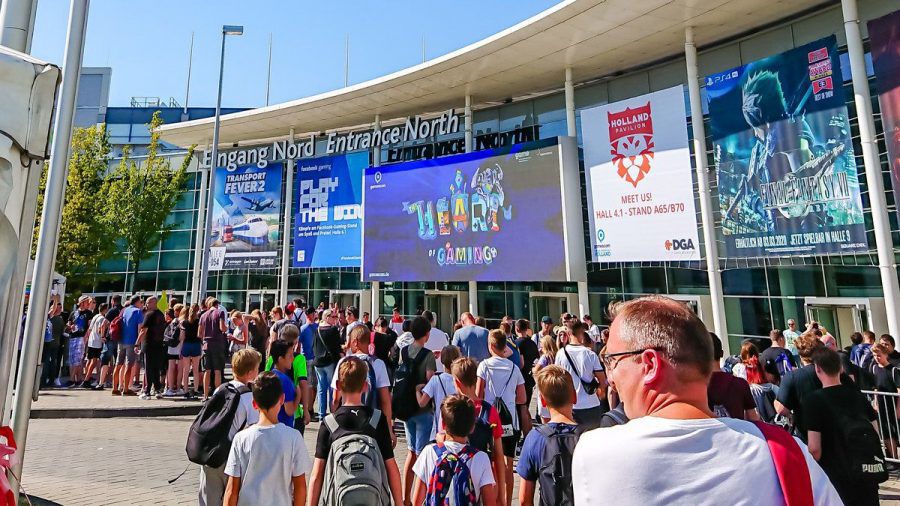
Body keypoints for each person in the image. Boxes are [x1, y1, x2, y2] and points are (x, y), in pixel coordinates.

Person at [572, 295, 841, 504]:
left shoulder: (596, 452)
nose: (611, 375)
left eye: (612, 360)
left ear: (650, 364)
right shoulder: (787, 452)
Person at [308, 356, 403, 506]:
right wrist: (399, 502)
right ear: (366, 386)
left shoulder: (330, 423)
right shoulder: (377, 419)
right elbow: (391, 467)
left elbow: (317, 475)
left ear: (338, 385)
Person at [804, 347, 881, 505]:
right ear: (840, 368)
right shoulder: (857, 395)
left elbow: (814, 448)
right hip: (865, 470)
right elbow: (875, 430)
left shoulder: (814, 401)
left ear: (817, 369)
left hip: (836, 474)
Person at [223, 371, 311, 506]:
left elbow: (232, 490)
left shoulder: (241, 439)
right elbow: (300, 487)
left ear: (254, 403)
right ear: (282, 399)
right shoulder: (294, 437)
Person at [199, 349, 261, 506]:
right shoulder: (249, 398)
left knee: (209, 499)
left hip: (210, 453)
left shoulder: (221, 389)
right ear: (250, 372)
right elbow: (253, 431)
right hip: (231, 457)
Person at [410, 395, 497, 506]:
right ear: (472, 428)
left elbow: (417, 501)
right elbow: (490, 502)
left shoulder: (428, 452)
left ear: (443, 424)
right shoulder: (481, 457)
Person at [517, 365, 580, 506]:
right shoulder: (588, 437)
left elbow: (524, 499)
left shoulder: (534, 438)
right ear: (574, 397)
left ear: (543, 401)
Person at [476, 330, 525, 506]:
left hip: (489, 420)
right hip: (510, 420)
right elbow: (522, 398)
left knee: (491, 462)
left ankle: (494, 500)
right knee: (508, 462)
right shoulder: (514, 368)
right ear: (505, 346)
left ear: (490, 346)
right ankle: (507, 502)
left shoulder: (484, 366)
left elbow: (478, 393)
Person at [776, 332, 853, 441]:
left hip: (809, 437)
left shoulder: (792, 377)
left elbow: (781, 409)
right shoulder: (834, 371)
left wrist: (777, 403)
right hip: (839, 433)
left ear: (800, 355)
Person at [394, 316, 436, 506]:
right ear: (427, 334)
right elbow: (430, 381)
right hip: (422, 409)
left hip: (405, 407)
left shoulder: (404, 350)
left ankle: (405, 498)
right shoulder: (428, 355)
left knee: (411, 453)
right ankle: (421, 498)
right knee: (422, 455)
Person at [555, 321, 607, 428]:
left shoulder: (561, 354)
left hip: (570, 405)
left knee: (574, 441)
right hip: (591, 404)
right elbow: (602, 380)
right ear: (582, 333)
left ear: (568, 334)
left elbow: (557, 379)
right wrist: (601, 395)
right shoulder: (591, 354)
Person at [707, 333, 759, 420]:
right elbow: (753, 419)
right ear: (722, 353)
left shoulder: (694, 387)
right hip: (738, 432)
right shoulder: (740, 384)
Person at [417, 345, 462, 440]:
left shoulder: (435, 380)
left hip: (439, 432)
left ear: (441, 361)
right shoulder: (460, 380)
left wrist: (417, 391)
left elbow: (422, 403)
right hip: (459, 430)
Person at [869, 343, 900, 459]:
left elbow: (898, 390)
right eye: (874, 355)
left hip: (892, 405)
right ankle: (893, 457)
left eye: (879, 355)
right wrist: (875, 402)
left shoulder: (893, 370)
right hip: (882, 405)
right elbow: (875, 388)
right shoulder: (874, 368)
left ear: (886, 354)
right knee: (886, 433)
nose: (877, 358)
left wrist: (898, 408)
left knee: (895, 431)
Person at [268, 339, 306, 430]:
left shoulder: (270, 376)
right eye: (290, 355)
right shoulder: (285, 381)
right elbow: (289, 411)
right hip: (285, 427)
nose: (293, 358)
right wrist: (298, 396)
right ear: (281, 359)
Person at [313, 308, 343, 418]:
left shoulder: (317, 330)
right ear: (326, 317)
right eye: (333, 316)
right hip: (329, 361)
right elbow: (337, 346)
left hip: (318, 362)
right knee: (332, 388)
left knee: (321, 389)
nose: (335, 319)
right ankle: (332, 413)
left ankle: (321, 414)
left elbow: (314, 345)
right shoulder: (333, 330)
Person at [137, 296, 167, 400]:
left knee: (148, 368)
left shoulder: (149, 315)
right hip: (159, 345)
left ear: (153, 303)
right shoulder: (161, 315)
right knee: (156, 368)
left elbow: (143, 330)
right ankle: (158, 390)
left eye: (148, 302)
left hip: (149, 344)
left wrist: (137, 343)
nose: (146, 304)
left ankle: (147, 391)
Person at [200, 298, 228, 401]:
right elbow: (222, 328)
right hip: (217, 343)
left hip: (206, 345)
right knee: (217, 371)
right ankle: (217, 395)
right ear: (217, 305)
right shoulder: (219, 312)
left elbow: (199, 333)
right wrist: (226, 328)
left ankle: (205, 395)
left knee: (207, 370)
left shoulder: (203, 315)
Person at [115, 295, 143, 396]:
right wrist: (138, 342)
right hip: (132, 341)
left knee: (118, 364)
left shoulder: (124, 310)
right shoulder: (138, 312)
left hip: (121, 340)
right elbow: (140, 328)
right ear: (137, 302)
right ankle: (126, 389)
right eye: (141, 301)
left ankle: (115, 388)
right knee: (129, 365)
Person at [515, 319, 540, 420]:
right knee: (526, 406)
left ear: (517, 329)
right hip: (529, 377)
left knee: (518, 407)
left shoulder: (516, 343)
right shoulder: (532, 343)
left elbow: (520, 363)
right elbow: (536, 359)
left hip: (519, 378)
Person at [66, 295, 93, 386]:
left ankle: (73, 379)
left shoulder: (89, 313)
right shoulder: (74, 313)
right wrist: (70, 326)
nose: (88, 304)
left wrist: (86, 337)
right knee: (72, 358)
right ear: (82, 303)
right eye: (87, 302)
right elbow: (68, 324)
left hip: (82, 337)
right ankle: (75, 378)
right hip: (73, 336)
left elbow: (90, 327)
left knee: (78, 358)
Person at [97, 295, 122, 390]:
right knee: (118, 362)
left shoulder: (112, 311)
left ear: (112, 301)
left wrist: (102, 335)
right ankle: (118, 384)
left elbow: (104, 323)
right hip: (120, 339)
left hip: (110, 338)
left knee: (105, 360)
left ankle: (101, 382)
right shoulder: (123, 310)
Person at [82, 302, 108, 388]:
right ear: (105, 310)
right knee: (94, 362)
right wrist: (102, 336)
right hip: (97, 342)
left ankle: (86, 378)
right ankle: (87, 379)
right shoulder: (102, 319)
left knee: (89, 361)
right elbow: (101, 328)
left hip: (91, 341)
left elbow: (90, 328)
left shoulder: (95, 316)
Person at [534, 334, 558, 423]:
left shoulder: (545, 357)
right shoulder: (557, 355)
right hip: (556, 385)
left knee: (545, 415)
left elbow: (536, 370)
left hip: (545, 385)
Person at [180, 304, 203, 398]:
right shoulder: (199, 321)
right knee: (195, 369)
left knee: (186, 369)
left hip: (186, 345)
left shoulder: (184, 322)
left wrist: (181, 349)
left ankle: (185, 390)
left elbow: (182, 337)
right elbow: (200, 335)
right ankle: (196, 389)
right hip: (196, 345)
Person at [164, 305, 185, 397]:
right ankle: (178, 388)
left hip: (171, 347)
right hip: (179, 347)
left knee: (171, 368)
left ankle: (170, 388)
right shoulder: (182, 322)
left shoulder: (172, 321)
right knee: (180, 368)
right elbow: (182, 337)